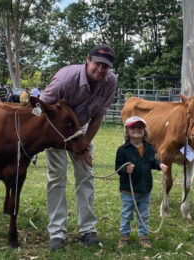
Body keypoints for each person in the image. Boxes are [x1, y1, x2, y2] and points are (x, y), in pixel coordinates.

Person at [39, 43, 117, 250]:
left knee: (86, 175)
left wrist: (85, 144)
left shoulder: (110, 82)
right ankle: (57, 233)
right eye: (97, 64)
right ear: (88, 60)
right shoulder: (65, 79)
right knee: (57, 177)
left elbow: (99, 115)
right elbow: (40, 108)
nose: (100, 70)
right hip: (56, 132)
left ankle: (88, 230)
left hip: (80, 130)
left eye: (105, 67)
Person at [115, 116, 168, 249]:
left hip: (145, 188)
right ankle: (124, 236)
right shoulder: (122, 150)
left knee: (143, 214)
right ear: (127, 131)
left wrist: (159, 165)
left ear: (144, 131)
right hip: (129, 190)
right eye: (133, 128)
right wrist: (125, 169)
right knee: (127, 213)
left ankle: (143, 237)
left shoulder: (149, 148)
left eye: (140, 127)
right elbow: (118, 168)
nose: (137, 130)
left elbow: (152, 162)